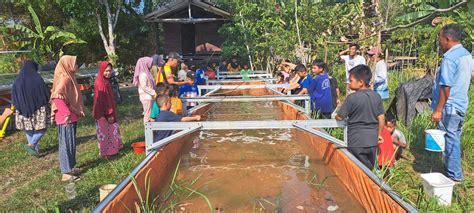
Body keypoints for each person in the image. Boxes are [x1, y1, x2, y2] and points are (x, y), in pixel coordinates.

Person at [431, 24, 473, 183]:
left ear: (447, 39)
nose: (439, 42)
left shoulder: (450, 57)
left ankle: (454, 177)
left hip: (450, 107)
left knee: (450, 140)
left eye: (440, 39)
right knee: (454, 138)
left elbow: (446, 87)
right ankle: (452, 172)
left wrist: (438, 110)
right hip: (461, 105)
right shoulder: (466, 54)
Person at [336, 65, 385, 170]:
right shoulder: (376, 96)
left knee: (357, 170)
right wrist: (379, 135)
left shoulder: (352, 98)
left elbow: (340, 117)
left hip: (356, 140)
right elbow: (381, 119)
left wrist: (336, 116)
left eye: (351, 80)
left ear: (360, 82)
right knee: (369, 170)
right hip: (372, 140)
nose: (349, 83)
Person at [51, 55, 85, 182]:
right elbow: (56, 97)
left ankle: (70, 167)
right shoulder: (65, 79)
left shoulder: (69, 77)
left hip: (70, 117)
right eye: (75, 63)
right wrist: (66, 114)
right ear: (68, 65)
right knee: (66, 144)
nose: (76, 66)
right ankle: (66, 172)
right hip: (66, 118)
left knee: (70, 143)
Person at [12, 60, 51, 156]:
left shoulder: (17, 80)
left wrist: (18, 106)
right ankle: (32, 145)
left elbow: (14, 96)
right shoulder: (37, 78)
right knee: (43, 127)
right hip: (39, 108)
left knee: (29, 129)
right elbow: (44, 93)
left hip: (23, 110)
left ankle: (34, 151)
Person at [92, 61, 123, 157]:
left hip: (106, 111)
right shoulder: (101, 82)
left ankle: (113, 148)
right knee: (106, 132)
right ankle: (108, 151)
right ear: (101, 70)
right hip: (104, 113)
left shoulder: (104, 80)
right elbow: (103, 101)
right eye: (106, 71)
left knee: (109, 130)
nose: (108, 73)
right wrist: (109, 114)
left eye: (110, 71)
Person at [133, 57, 156, 122]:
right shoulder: (143, 75)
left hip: (149, 96)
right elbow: (144, 86)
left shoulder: (147, 73)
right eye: (150, 63)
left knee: (150, 113)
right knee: (147, 114)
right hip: (146, 97)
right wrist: (153, 92)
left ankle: (150, 129)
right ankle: (147, 129)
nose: (151, 65)